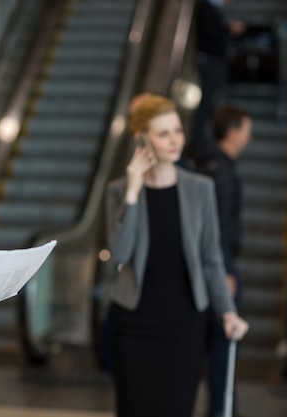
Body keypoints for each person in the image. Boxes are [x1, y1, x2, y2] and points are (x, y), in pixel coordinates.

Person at [105, 94, 248, 417]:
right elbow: (120, 253)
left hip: (185, 326)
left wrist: (227, 311)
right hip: (135, 325)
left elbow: (212, 258)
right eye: (163, 133)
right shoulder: (119, 191)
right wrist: (132, 191)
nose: (175, 141)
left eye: (177, 131)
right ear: (141, 138)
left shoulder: (201, 188)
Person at [196, 105, 252, 417]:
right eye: (246, 130)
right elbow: (219, 227)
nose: (249, 137)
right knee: (222, 350)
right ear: (231, 132)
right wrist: (227, 271)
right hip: (220, 271)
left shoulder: (207, 165)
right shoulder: (220, 173)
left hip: (215, 268)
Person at [189, 0, 245, 157]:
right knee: (208, 103)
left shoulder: (211, 9)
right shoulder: (206, 8)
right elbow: (212, 35)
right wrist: (228, 30)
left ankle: (202, 142)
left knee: (211, 103)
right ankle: (198, 143)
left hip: (212, 61)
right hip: (210, 61)